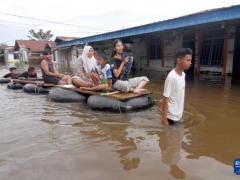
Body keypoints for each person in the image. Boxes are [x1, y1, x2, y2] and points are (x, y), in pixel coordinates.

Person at [160, 48, 192, 125]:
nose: (190, 63)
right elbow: (165, 97)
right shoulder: (171, 77)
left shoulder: (183, 75)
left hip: (178, 114)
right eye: (187, 60)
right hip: (171, 117)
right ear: (179, 60)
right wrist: (164, 119)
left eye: (190, 60)